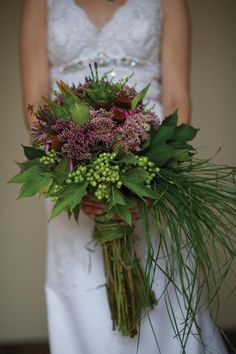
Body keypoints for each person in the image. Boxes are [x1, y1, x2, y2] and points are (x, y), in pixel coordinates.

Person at [20, 0, 228, 353]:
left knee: (163, 279)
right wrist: (71, 163)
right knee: (85, 288)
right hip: (67, 154)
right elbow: (35, 100)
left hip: (150, 149)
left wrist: (154, 172)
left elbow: (178, 94)